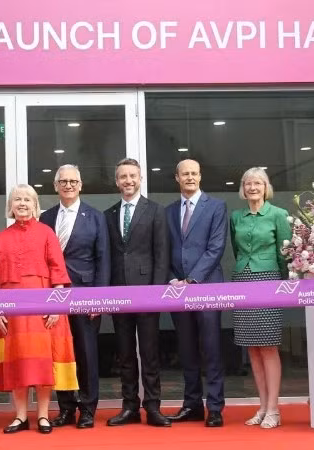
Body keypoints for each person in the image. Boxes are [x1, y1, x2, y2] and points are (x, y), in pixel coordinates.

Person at [0, 184, 78, 434]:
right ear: (10, 206)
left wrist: (57, 306)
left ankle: (44, 416)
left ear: (35, 206)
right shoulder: (1, 238)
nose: (22, 203)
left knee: (43, 364)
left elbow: (58, 272)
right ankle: (21, 416)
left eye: (27, 199)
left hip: (44, 310)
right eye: (17, 199)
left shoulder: (47, 233)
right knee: (17, 363)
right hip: (11, 312)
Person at [39, 165, 110, 429]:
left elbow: (103, 258)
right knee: (59, 353)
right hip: (53, 295)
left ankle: (88, 409)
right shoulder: (45, 217)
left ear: (80, 185)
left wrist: (98, 297)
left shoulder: (95, 217)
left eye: (73, 181)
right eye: (63, 181)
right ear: (56, 186)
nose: (68, 185)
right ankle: (66, 407)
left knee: (86, 352)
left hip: (85, 293)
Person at [105, 158, 171, 427]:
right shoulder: (108, 214)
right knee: (125, 353)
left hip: (146, 292)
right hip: (119, 293)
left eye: (133, 176)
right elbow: (109, 255)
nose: (128, 181)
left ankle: (153, 407)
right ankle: (129, 406)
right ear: (117, 181)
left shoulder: (155, 211)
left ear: (140, 178)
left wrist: (156, 292)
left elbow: (162, 253)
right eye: (123, 176)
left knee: (149, 352)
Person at [165, 159, 227, 427]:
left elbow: (216, 247)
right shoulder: (167, 212)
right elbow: (163, 250)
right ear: (176, 178)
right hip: (177, 291)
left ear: (200, 177)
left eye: (194, 173)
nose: (189, 177)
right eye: (184, 174)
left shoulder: (216, 207)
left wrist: (192, 280)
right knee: (187, 350)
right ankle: (192, 405)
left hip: (207, 288)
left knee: (211, 349)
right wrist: (172, 278)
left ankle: (214, 407)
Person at [230, 167, 292, 429]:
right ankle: (263, 405)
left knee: (268, 345)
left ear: (266, 187)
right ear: (243, 189)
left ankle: (274, 409)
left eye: (257, 183)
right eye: (248, 184)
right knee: (252, 347)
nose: (252, 187)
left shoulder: (278, 215)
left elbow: (285, 252)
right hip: (243, 279)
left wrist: (284, 282)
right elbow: (235, 249)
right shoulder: (236, 216)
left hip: (268, 280)